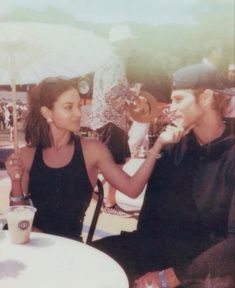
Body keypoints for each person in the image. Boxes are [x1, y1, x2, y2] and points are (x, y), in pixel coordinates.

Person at [91, 65, 235, 288]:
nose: (172, 108)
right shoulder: (173, 147)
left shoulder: (231, 153)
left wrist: (172, 275)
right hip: (161, 249)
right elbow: (150, 216)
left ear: (206, 98)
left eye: (179, 99)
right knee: (94, 258)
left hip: (209, 264)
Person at [4, 77, 184, 242]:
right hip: (31, 241)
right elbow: (18, 215)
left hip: (70, 249)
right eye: (68, 107)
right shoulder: (27, 155)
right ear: (47, 112)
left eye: (78, 106)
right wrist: (16, 181)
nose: (78, 113)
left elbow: (132, 189)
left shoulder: (91, 150)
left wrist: (157, 146)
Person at [90, 24, 135, 213]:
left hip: (103, 120)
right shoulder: (116, 62)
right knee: (114, 163)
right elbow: (111, 95)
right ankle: (108, 201)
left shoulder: (105, 61)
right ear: (122, 44)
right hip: (112, 120)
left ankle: (98, 193)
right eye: (130, 42)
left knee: (110, 162)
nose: (133, 46)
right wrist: (129, 98)